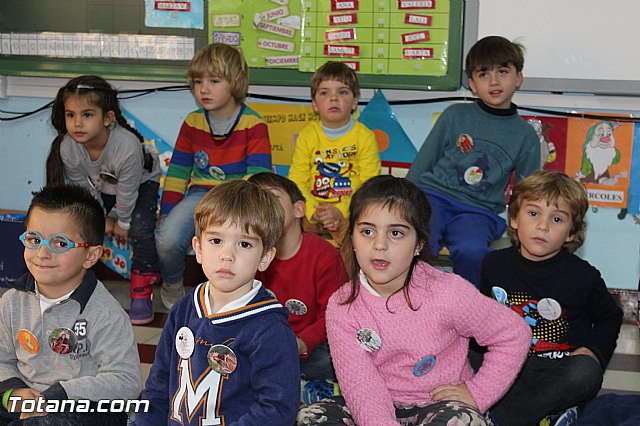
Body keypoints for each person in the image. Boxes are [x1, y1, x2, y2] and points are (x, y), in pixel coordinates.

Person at [297, 175, 531, 426]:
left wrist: (478, 393)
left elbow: (513, 333)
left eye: (396, 233)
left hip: (439, 406)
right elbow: (361, 386)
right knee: (309, 418)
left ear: (419, 243)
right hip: (376, 407)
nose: (379, 245)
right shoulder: (342, 306)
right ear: (352, 237)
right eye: (367, 231)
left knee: (463, 421)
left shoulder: (448, 292)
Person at [137, 179, 300, 426]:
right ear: (198, 248)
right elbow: (158, 387)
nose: (227, 255)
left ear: (265, 257)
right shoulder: (183, 310)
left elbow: (277, 410)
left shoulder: (271, 329)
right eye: (216, 241)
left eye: (244, 244)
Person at [479, 170, 623, 425]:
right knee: (459, 352)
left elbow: (610, 317)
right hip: (505, 364)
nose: (543, 226)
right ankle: (545, 413)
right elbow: (479, 318)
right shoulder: (493, 264)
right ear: (514, 218)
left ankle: (500, 418)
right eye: (533, 214)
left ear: (571, 233)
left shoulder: (583, 276)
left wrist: (593, 350)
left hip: (557, 369)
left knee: (585, 372)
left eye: (557, 219)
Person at [0, 184, 142, 425]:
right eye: (34, 239)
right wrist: (14, 392)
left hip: (83, 407)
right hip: (28, 400)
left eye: (60, 244)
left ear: (91, 256)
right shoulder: (11, 302)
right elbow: (3, 360)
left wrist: (57, 396)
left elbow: (127, 380)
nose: (42, 253)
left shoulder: (105, 313)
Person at [406, 35, 540, 287]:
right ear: (472, 84)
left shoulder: (526, 136)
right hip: (433, 198)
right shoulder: (455, 115)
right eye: (483, 74)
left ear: (518, 78)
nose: (494, 81)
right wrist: (404, 201)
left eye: (503, 72)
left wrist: (522, 228)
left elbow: (528, 192)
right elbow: (424, 161)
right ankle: (410, 299)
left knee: (472, 251)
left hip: (478, 211)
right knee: (419, 241)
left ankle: (468, 307)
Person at [156, 43, 272, 309]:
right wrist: (167, 210)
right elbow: (178, 171)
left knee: (233, 244)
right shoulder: (193, 122)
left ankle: (236, 293)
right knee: (167, 238)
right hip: (200, 195)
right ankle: (172, 284)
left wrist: (234, 203)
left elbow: (259, 177)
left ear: (235, 82)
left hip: (238, 198)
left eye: (214, 81)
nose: (204, 89)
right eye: (198, 82)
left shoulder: (253, 124)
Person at [46, 75, 162, 325]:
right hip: (102, 187)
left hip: (141, 184)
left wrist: (123, 223)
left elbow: (128, 191)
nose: (77, 123)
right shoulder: (68, 147)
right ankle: (79, 286)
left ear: (108, 118)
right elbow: (84, 188)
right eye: (70, 115)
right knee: (80, 225)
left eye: (87, 115)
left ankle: (142, 287)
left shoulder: (126, 146)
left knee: (141, 227)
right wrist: (101, 220)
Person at [249, 172, 348, 384]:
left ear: (298, 209)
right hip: (267, 342)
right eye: (257, 200)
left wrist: (301, 342)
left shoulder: (324, 255)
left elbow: (334, 317)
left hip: (312, 344)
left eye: (272, 197)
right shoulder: (251, 252)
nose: (264, 206)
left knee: (334, 359)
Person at [288, 61, 381, 246]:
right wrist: (313, 211)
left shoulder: (365, 137)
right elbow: (297, 180)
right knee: (288, 221)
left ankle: (346, 265)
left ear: (355, 101)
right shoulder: (307, 136)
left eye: (342, 92)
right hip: (312, 209)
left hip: (350, 210)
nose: (333, 98)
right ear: (314, 104)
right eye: (324, 93)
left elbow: (368, 184)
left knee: (360, 228)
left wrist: (340, 210)